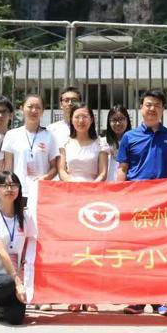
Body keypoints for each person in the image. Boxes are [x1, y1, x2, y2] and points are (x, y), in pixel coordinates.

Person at [117, 89, 167, 316]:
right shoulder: (130, 137)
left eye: (157, 105)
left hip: (162, 203)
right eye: (148, 104)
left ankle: (159, 300)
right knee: (137, 252)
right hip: (135, 202)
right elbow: (123, 169)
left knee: (159, 253)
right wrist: (118, 198)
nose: (152, 109)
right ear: (141, 108)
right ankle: (137, 300)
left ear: (163, 109)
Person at [57, 102, 109, 312]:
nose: (81, 120)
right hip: (70, 198)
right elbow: (62, 170)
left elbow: (103, 173)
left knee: (92, 249)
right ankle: (74, 295)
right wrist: (73, 184)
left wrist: (90, 189)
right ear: (71, 120)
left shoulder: (100, 143)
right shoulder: (66, 143)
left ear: (92, 119)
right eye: (77, 117)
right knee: (74, 249)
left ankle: (90, 295)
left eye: (85, 116)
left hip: (94, 200)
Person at [0, 171, 38, 324]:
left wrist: (26, 275)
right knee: (7, 282)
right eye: (4, 185)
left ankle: (1, 305)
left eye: (13, 185)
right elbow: (2, 252)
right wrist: (17, 281)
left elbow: (31, 244)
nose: (9, 189)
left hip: (14, 278)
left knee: (16, 318)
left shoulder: (26, 216)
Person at [2, 94, 58, 199]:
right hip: (18, 192)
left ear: (42, 111)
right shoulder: (11, 135)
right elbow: (8, 168)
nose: (34, 110)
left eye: (38, 107)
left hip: (41, 191)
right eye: (30, 106)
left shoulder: (50, 136)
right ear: (22, 108)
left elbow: (55, 167)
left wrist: (44, 178)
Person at [47, 86, 82, 160]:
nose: (70, 103)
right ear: (61, 104)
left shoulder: (86, 128)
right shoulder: (51, 129)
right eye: (66, 100)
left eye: (74, 100)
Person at [102, 104, 131, 182]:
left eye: (121, 119)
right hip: (108, 185)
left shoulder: (133, 141)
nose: (118, 123)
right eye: (114, 120)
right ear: (109, 122)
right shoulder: (103, 142)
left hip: (128, 184)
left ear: (127, 120)